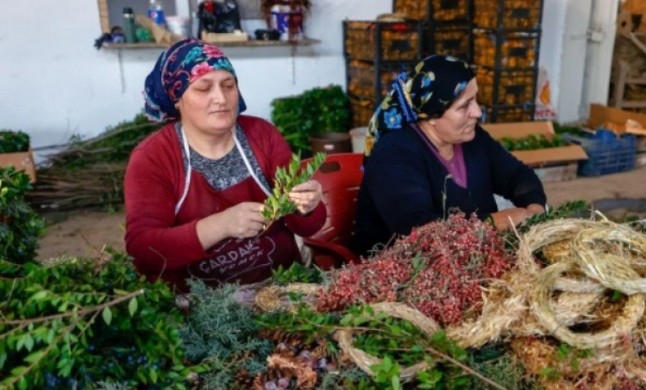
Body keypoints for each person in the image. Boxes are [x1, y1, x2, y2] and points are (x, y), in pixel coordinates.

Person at [124, 38, 325, 291]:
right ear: (177, 99)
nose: (221, 98)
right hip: (203, 308)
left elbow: (309, 226)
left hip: (284, 290)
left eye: (229, 86)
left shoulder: (262, 135)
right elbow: (143, 250)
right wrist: (220, 226)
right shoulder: (154, 157)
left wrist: (307, 206)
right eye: (204, 88)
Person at [351, 55, 547, 256]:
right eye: (464, 106)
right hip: (401, 271)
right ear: (431, 115)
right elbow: (419, 232)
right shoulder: (394, 155)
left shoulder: (473, 139)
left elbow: (518, 176)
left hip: (472, 258)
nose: (478, 112)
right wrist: (496, 222)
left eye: (476, 99)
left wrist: (535, 209)